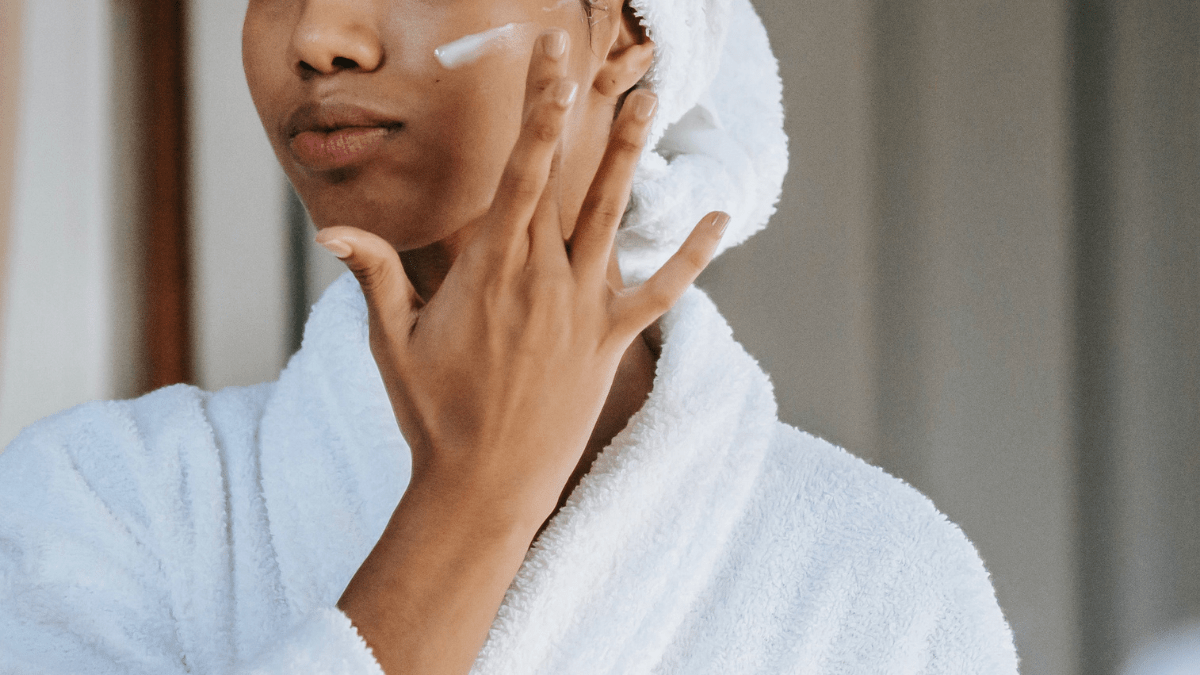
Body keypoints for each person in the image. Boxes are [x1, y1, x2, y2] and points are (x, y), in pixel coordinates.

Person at [0, 0, 1019, 673]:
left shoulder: (874, 581)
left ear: (629, 28)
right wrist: (472, 506)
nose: (317, 35)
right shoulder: (102, 505)